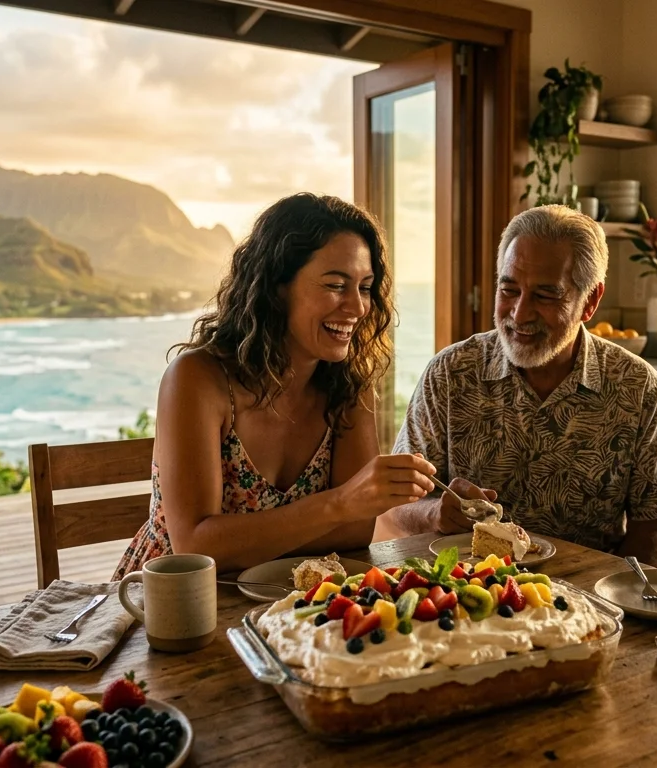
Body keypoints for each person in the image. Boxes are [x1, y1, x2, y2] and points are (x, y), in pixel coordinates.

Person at [113, 193, 436, 578]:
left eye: (365, 287)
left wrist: (243, 540)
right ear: (277, 286)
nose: (358, 307)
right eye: (336, 285)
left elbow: (354, 532)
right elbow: (195, 546)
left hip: (296, 596)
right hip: (178, 603)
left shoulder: (348, 385)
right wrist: (338, 505)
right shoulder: (198, 379)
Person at [383, 205, 657, 565]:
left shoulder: (636, 386)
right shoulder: (450, 373)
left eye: (545, 296)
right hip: (467, 593)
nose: (520, 313)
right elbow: (398, 505)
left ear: (590, 301)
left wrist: (619, 599)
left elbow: (653, 524)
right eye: (508, 290)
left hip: (590, 595)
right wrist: (435, 514)